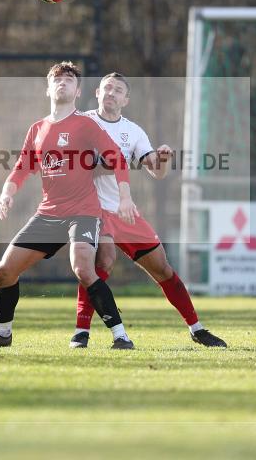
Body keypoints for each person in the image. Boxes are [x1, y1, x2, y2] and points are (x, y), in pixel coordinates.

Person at [0, 62, 140, 349]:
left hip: (84, 212)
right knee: (4, 272)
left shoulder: (86, 125)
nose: (63, 83)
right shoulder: (37, 128)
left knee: (83, 268)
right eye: (57, 79)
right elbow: (23, 166)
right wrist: (7, 191)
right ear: (47, 89)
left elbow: (117, 159)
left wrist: (125, 196)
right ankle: (3, 334)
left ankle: (121, 337)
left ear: (78, 92)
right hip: (49, 214)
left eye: (69, 80)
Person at [70, 73, 227, 349]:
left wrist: (164, 159)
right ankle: (81, 333)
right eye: (107, 88)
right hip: (92, 210)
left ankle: (196, 328)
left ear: (126, 100)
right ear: (97, 92)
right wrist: (110, 163)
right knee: (101, 264)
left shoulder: (133, 131)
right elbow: (75, 165)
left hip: (124, 212)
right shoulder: (83, 123)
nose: (112, 93)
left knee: (163, 268)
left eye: (118, 90)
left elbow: (158, 172)